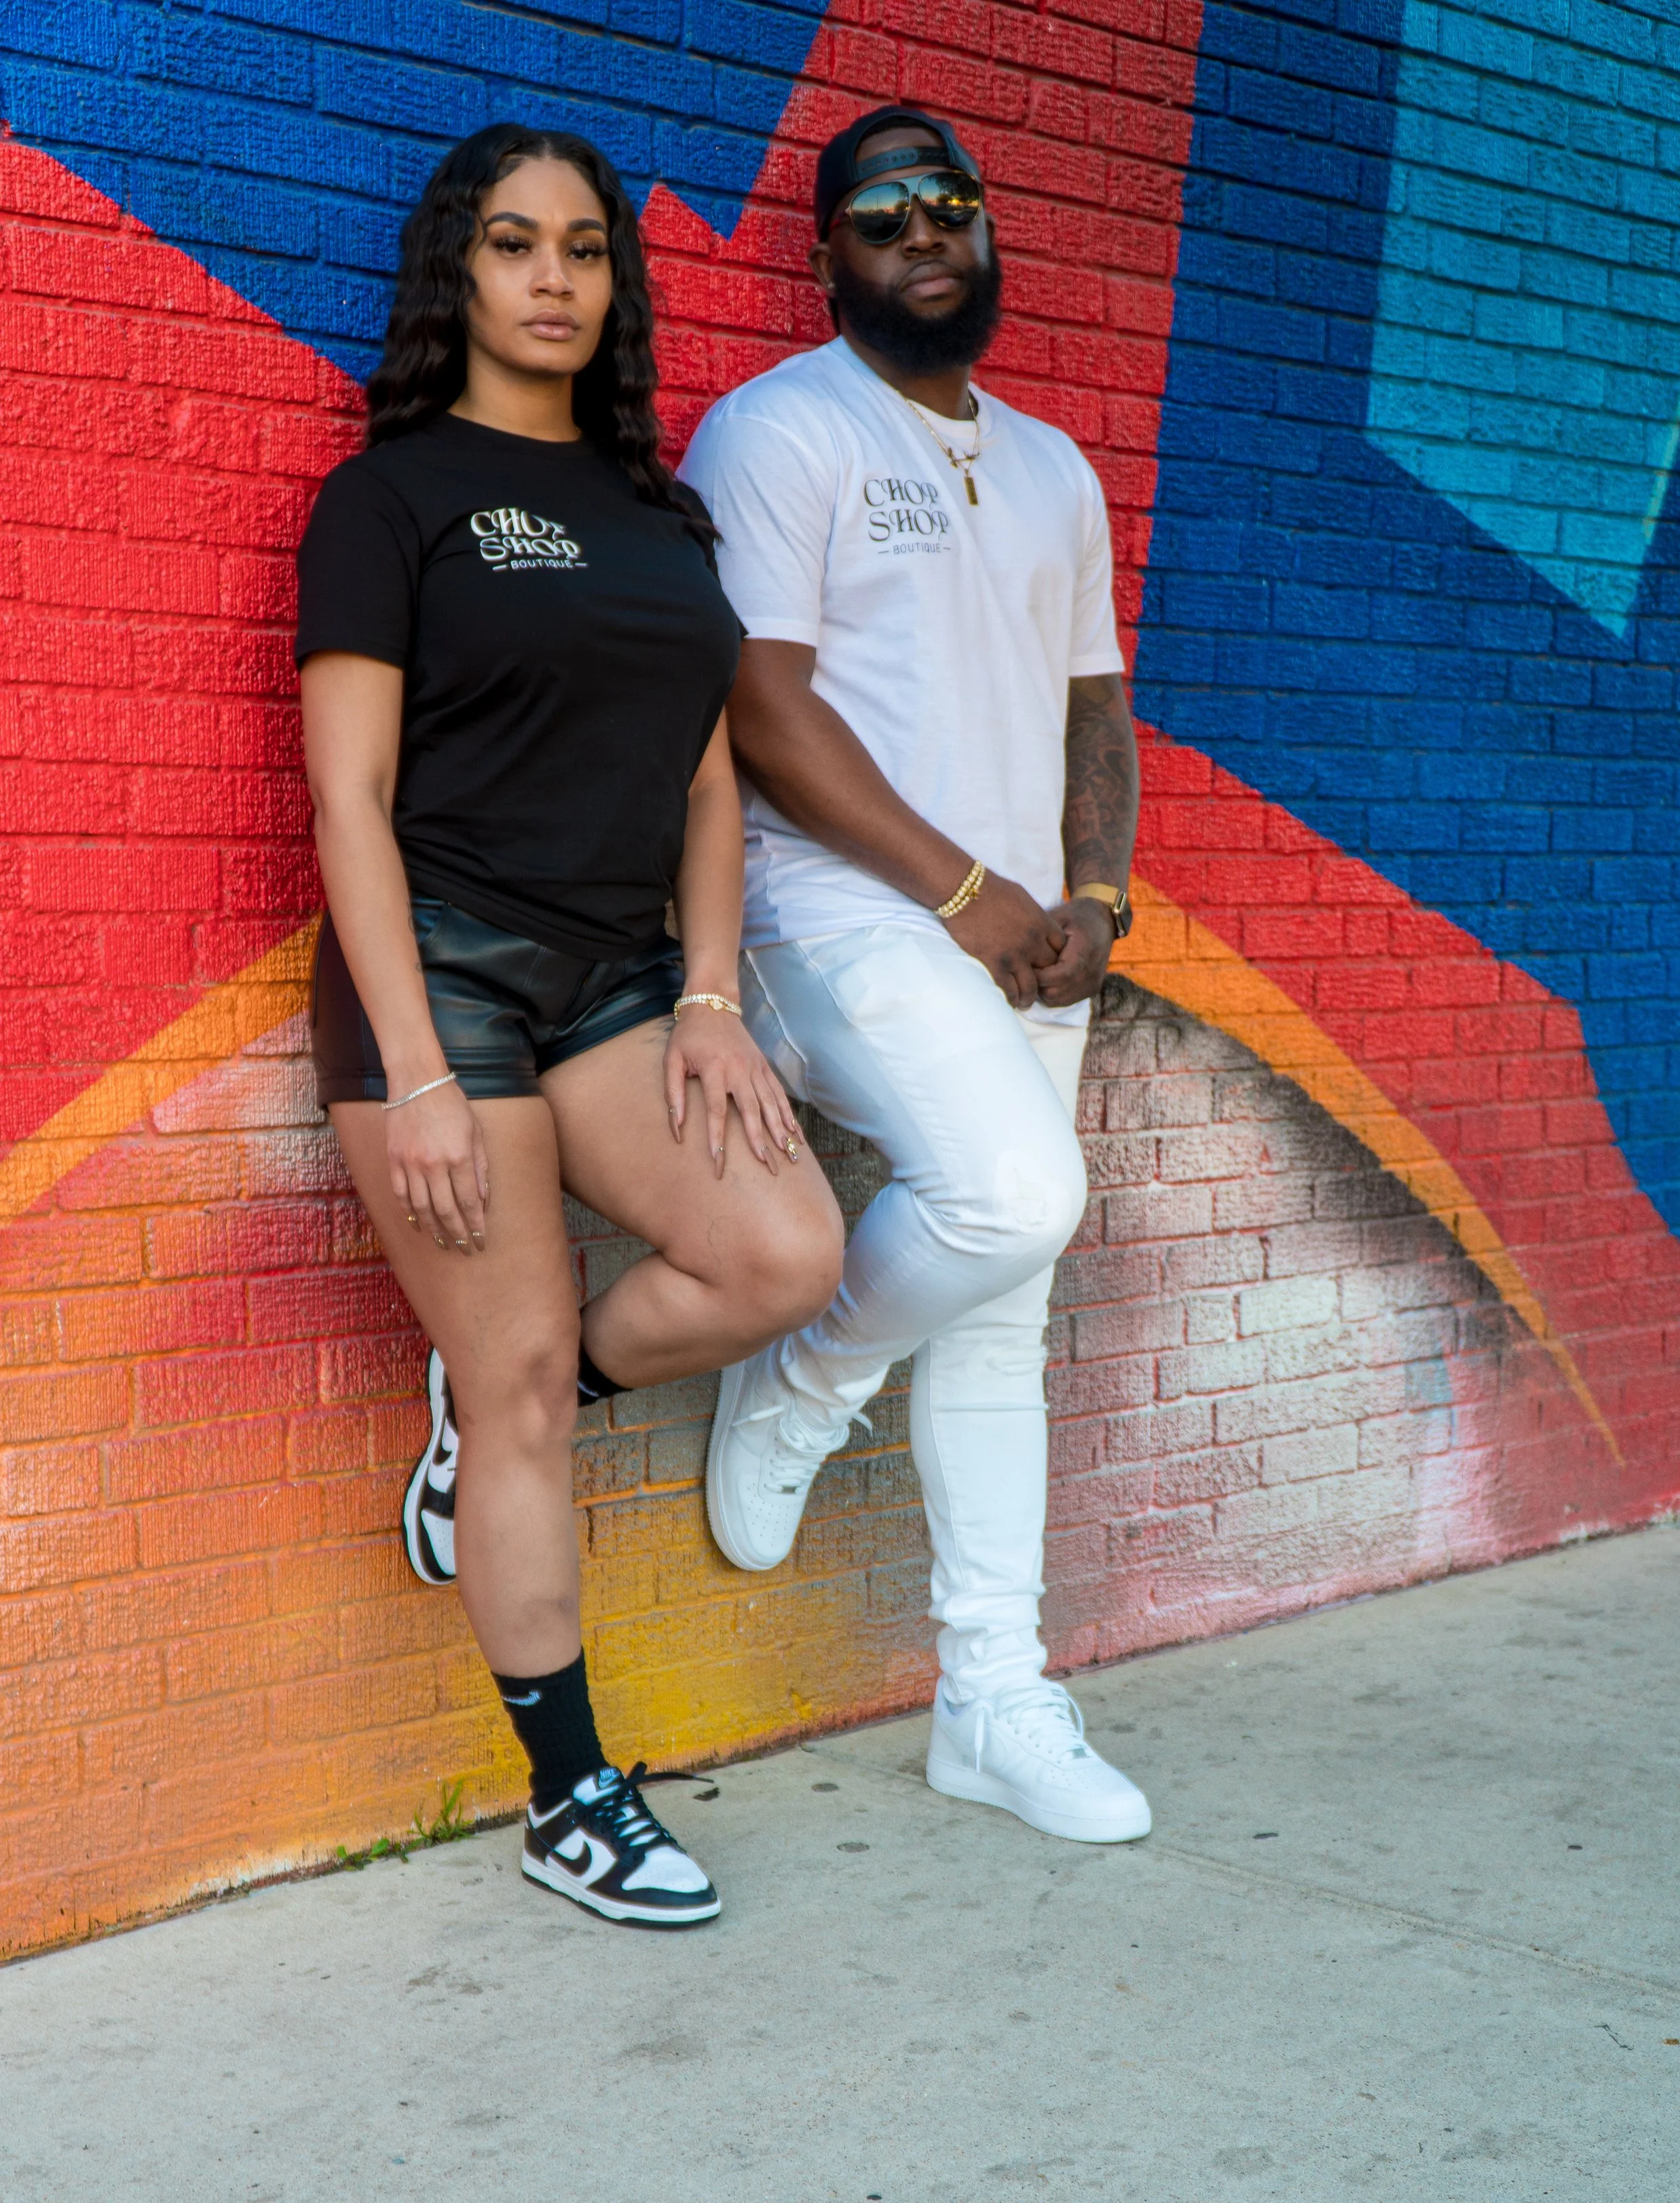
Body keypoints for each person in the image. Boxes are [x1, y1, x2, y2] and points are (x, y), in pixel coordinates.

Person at [295, 122, 844, 1927]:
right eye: (517, 244)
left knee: (778, 1247)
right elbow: (349, 802)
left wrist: (707, 995)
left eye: (586, 250)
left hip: (619, 980)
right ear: (456, 268)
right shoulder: (389, 499)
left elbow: (703, 783)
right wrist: (425, 1071)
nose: (554, 278)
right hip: (438, 977)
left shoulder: (656, 515)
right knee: (525, 1387)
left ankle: (496, 1400)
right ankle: (570, 1794)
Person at [677, 105, 1152, 1844]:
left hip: (1025, 926)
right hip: (835, 917)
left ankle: (988, 1694)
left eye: (949, 202)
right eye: (881, 212)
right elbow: (760, 704)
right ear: (828, 252)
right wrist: (966, 890)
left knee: (1005, 1310)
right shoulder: (779, 429)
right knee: (1014, 1193)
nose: (923, 230)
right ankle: (804, 1365)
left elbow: (1092, 698)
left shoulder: (1050, 468)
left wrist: (1090, 897)